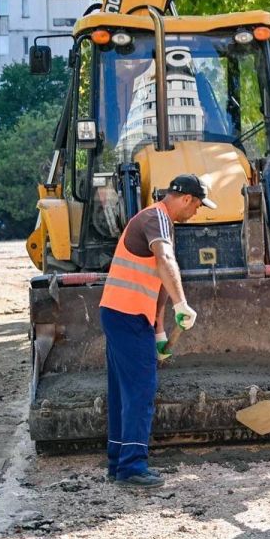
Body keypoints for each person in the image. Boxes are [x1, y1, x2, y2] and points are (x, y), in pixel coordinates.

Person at [99, 173, 209, 489]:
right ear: (187, 198)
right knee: (140, 390)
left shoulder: (156, 220)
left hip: (125, 315)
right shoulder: (156, 218)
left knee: (123, 391)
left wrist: (159, 330)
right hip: (127, 315)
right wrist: (182, 303)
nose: (197, 213)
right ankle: (132, 467)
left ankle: (119, 462)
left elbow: (156, 280)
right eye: (198, 206)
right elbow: (164, 259)